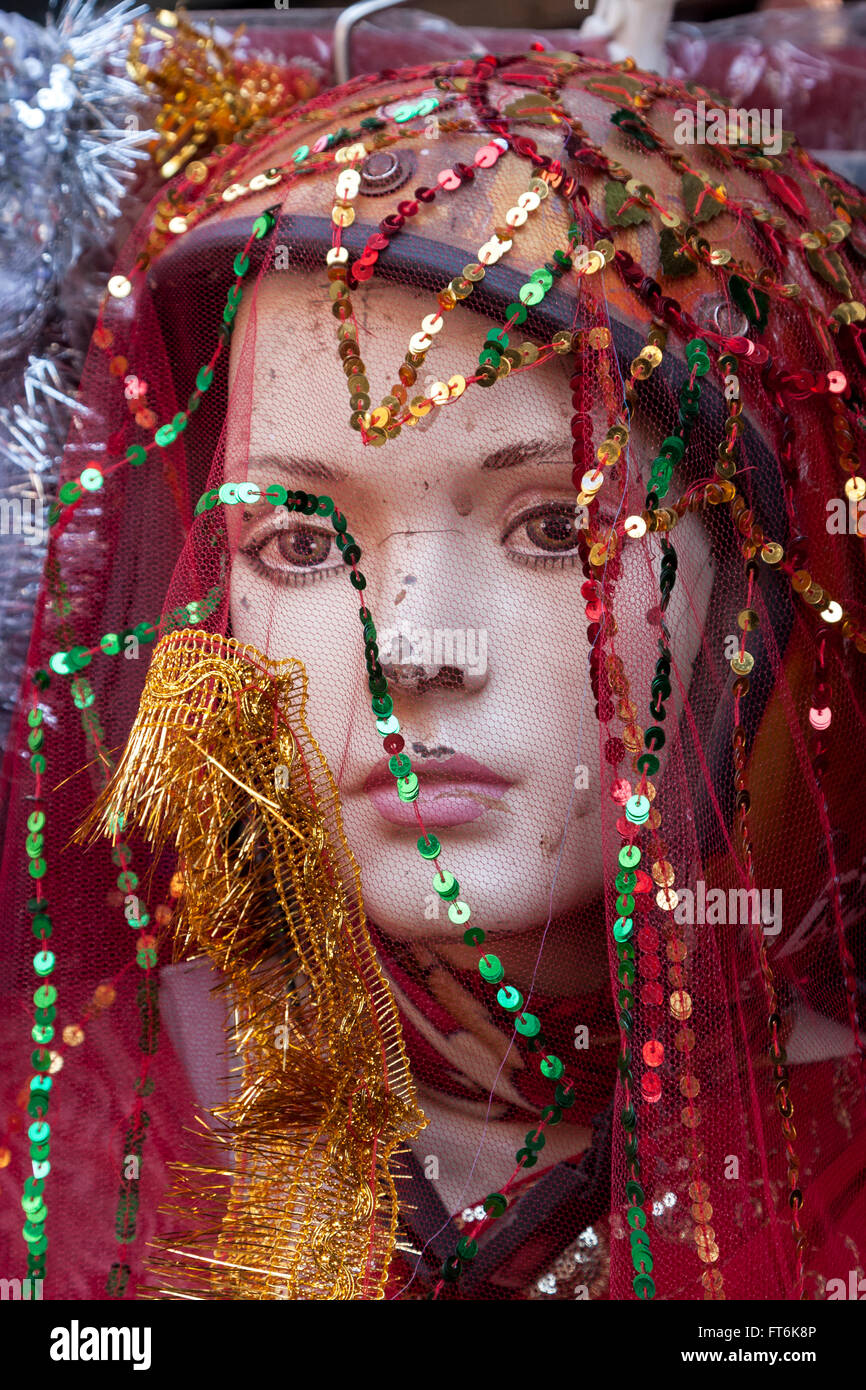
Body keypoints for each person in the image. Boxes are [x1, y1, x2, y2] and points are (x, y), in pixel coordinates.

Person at [2, 45, 865, 1302]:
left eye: (557, 529)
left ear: (770, 579)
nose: (409, 647)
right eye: (297, 542)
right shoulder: (84, 1112)